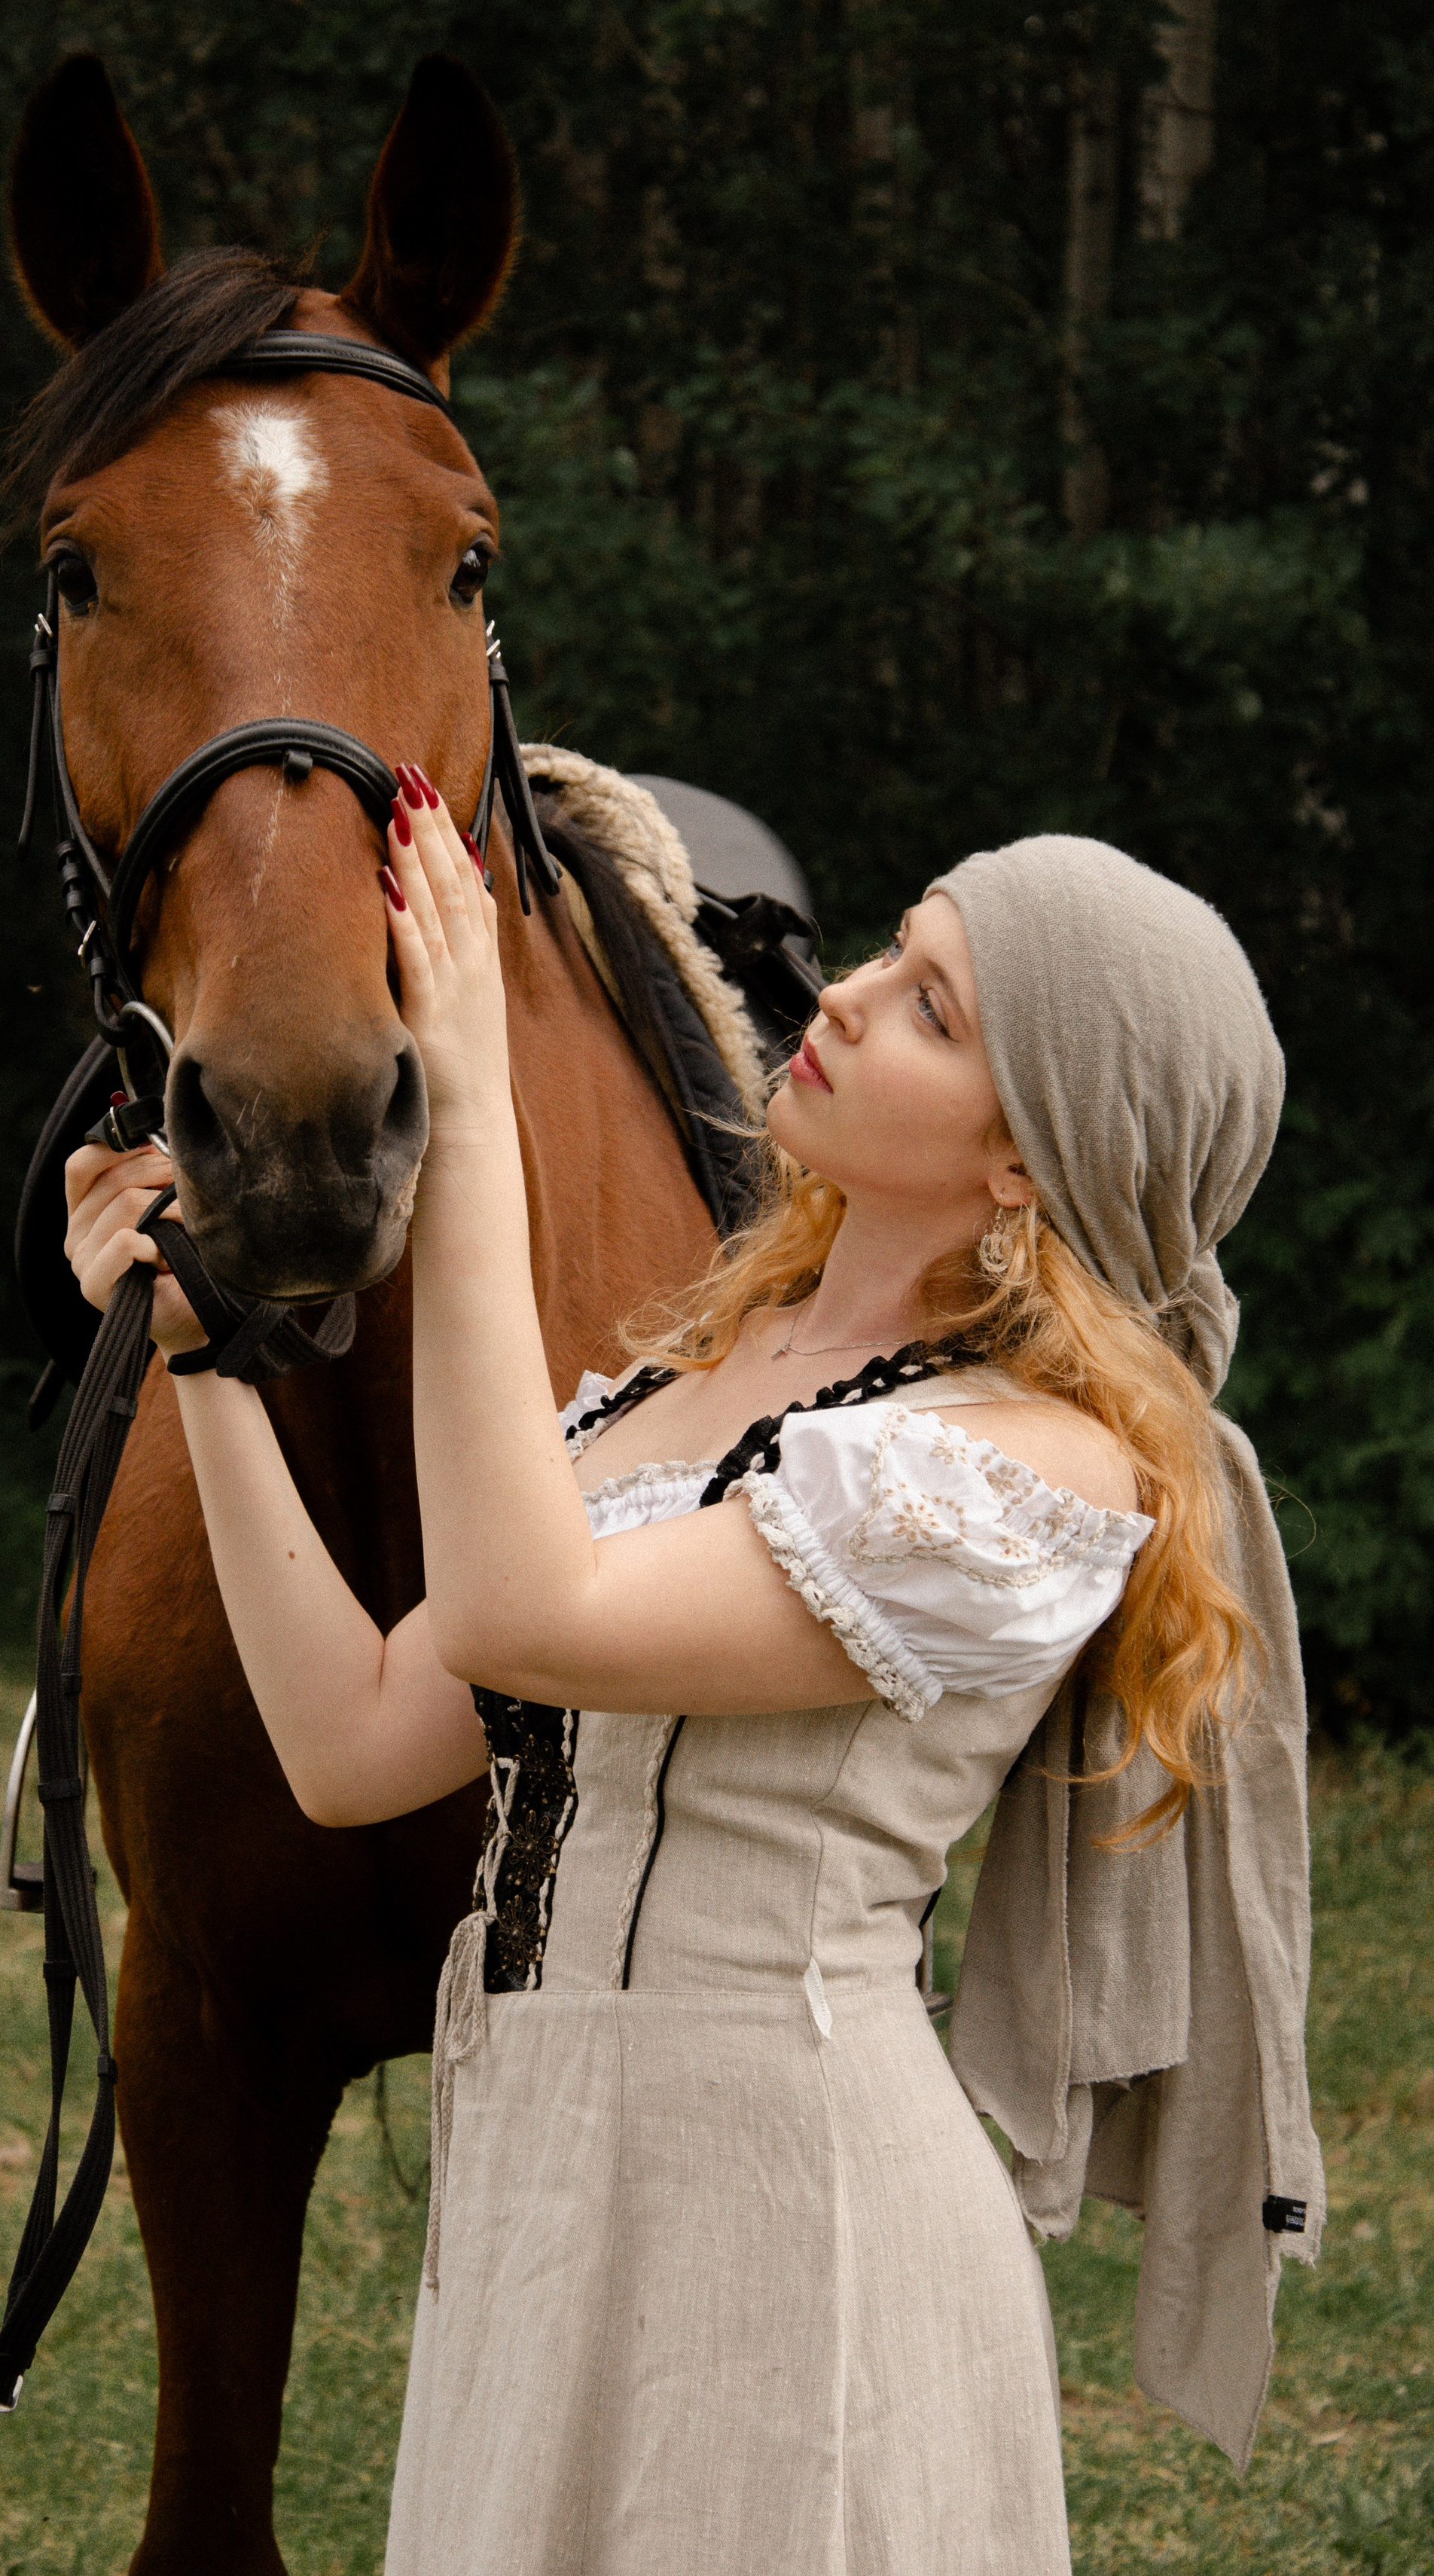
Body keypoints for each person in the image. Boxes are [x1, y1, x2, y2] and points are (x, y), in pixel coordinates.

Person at [64, 783, 1320, 2575]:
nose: (846, 993)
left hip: (789, 2223)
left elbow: (513, 1611)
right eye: (894, 948)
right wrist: (204, 1362)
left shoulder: (1030, 1471)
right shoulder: (688, 1382)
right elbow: (352, 1744)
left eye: (931, 1008)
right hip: (540, 2188)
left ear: (1030, 1155)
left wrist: (472, 1101)